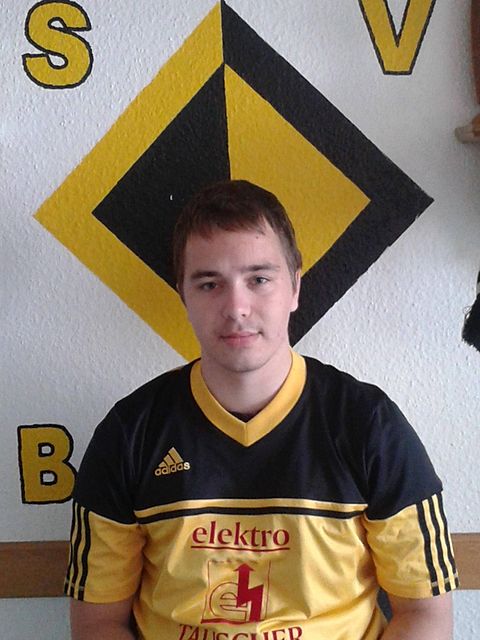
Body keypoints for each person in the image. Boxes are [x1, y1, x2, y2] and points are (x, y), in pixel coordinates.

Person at [65, 180, 458, 640]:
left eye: (259, 279)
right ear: (183, 296)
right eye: (209, 284)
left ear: (294, 287)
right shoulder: (130, 431)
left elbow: (425, 614)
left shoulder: (368, 424)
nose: (237, 307)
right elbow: (97, 623)